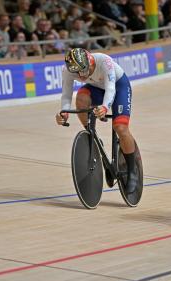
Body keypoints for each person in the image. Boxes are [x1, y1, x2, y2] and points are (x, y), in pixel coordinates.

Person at [55, 48, 138, 194]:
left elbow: (111, 89)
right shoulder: (68, 69)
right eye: (77, 73)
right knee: (80, 99)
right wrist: (64, 112)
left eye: (82, 71)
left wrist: (105, 107)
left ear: (89, 62)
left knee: (120, 127)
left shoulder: (104, 61)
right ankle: (92, 135)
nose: (80, 76)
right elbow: (66, 95)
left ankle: (132, 170)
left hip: (119, 87)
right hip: (96, 88)